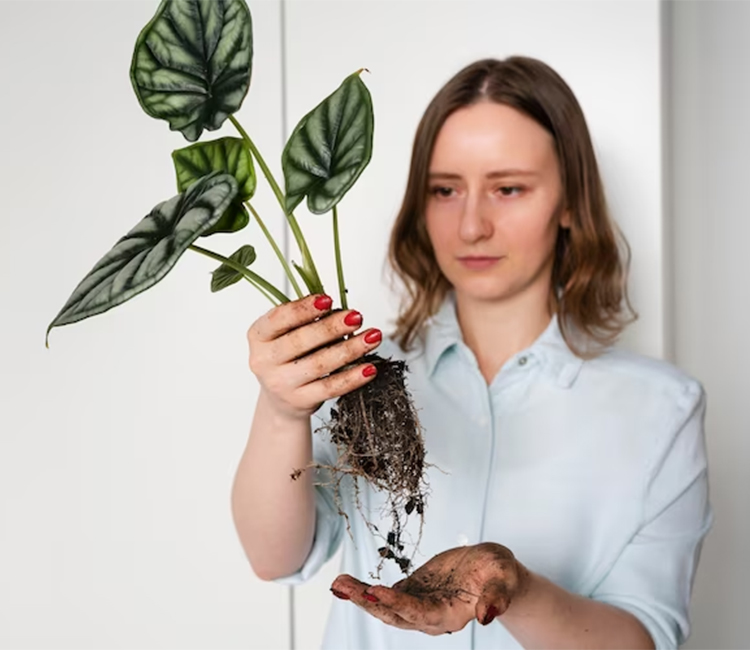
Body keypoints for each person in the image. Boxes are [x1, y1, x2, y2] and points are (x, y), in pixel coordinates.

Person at [230, 57, 712, 649]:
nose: (472, 226)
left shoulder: (662, 408)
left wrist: (515, 586)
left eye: (508, 188)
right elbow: (276, 558)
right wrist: (282, 410)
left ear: (568, 201)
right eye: (445, 190)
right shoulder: (358, 374)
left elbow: (645, 637)